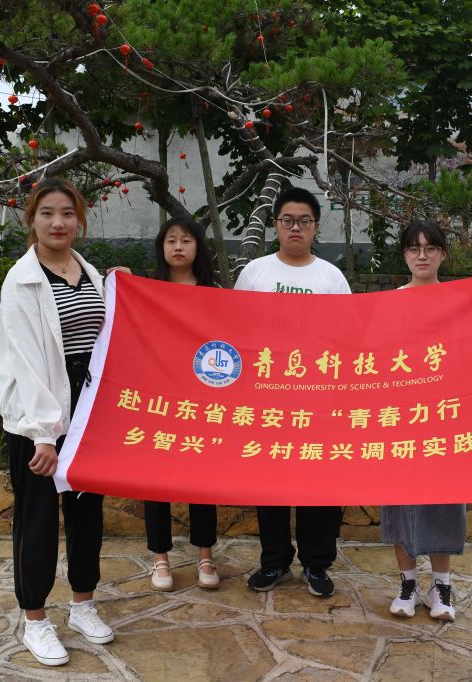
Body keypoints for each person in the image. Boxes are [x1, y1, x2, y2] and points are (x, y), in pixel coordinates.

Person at [0, 178, 114, 667]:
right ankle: (36, 620)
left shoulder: (91, 272)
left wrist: (120, 286)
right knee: (38, 520)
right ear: (32, 220)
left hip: (87, 409)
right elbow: (25, 361)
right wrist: (45, 434)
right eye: (47, 213)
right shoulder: (21, 280)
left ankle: (83, 604)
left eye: (67, 213)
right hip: (37, 414)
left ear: (78, 220)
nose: (58, 222)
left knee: (87, 514)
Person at [234, 186, 351, 598]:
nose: (295, 228)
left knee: (319, 483)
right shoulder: (255, 273)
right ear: (276, 225)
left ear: (316, 227)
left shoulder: (331, 277)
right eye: (288, 220)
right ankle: (275, 561)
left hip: (318, 400)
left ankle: (317, 564)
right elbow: (237, 330)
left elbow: (346, 338)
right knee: (271, 484)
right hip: (268, 400)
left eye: (304, 221)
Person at [381, 219, 465, 621]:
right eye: (414, 248)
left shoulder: (459, 301)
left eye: (430, 248)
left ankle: (441, 586)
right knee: (401, 501)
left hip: (444, 418)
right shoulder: (389, 303)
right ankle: (408, 582)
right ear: (404, 255)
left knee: (443, 500)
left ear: (442, 254)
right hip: (400, 418)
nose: (422, 255)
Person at [143, 217, 221, 591]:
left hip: (202, 400)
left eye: (186, 240)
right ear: (162, 248)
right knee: (154, 481)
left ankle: (205, 555)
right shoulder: (147, 291)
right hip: (158, 401)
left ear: (198, 248)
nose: (178, 247)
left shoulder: (214, 293)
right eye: (171, 240)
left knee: (202, 480)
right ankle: (160, 558)